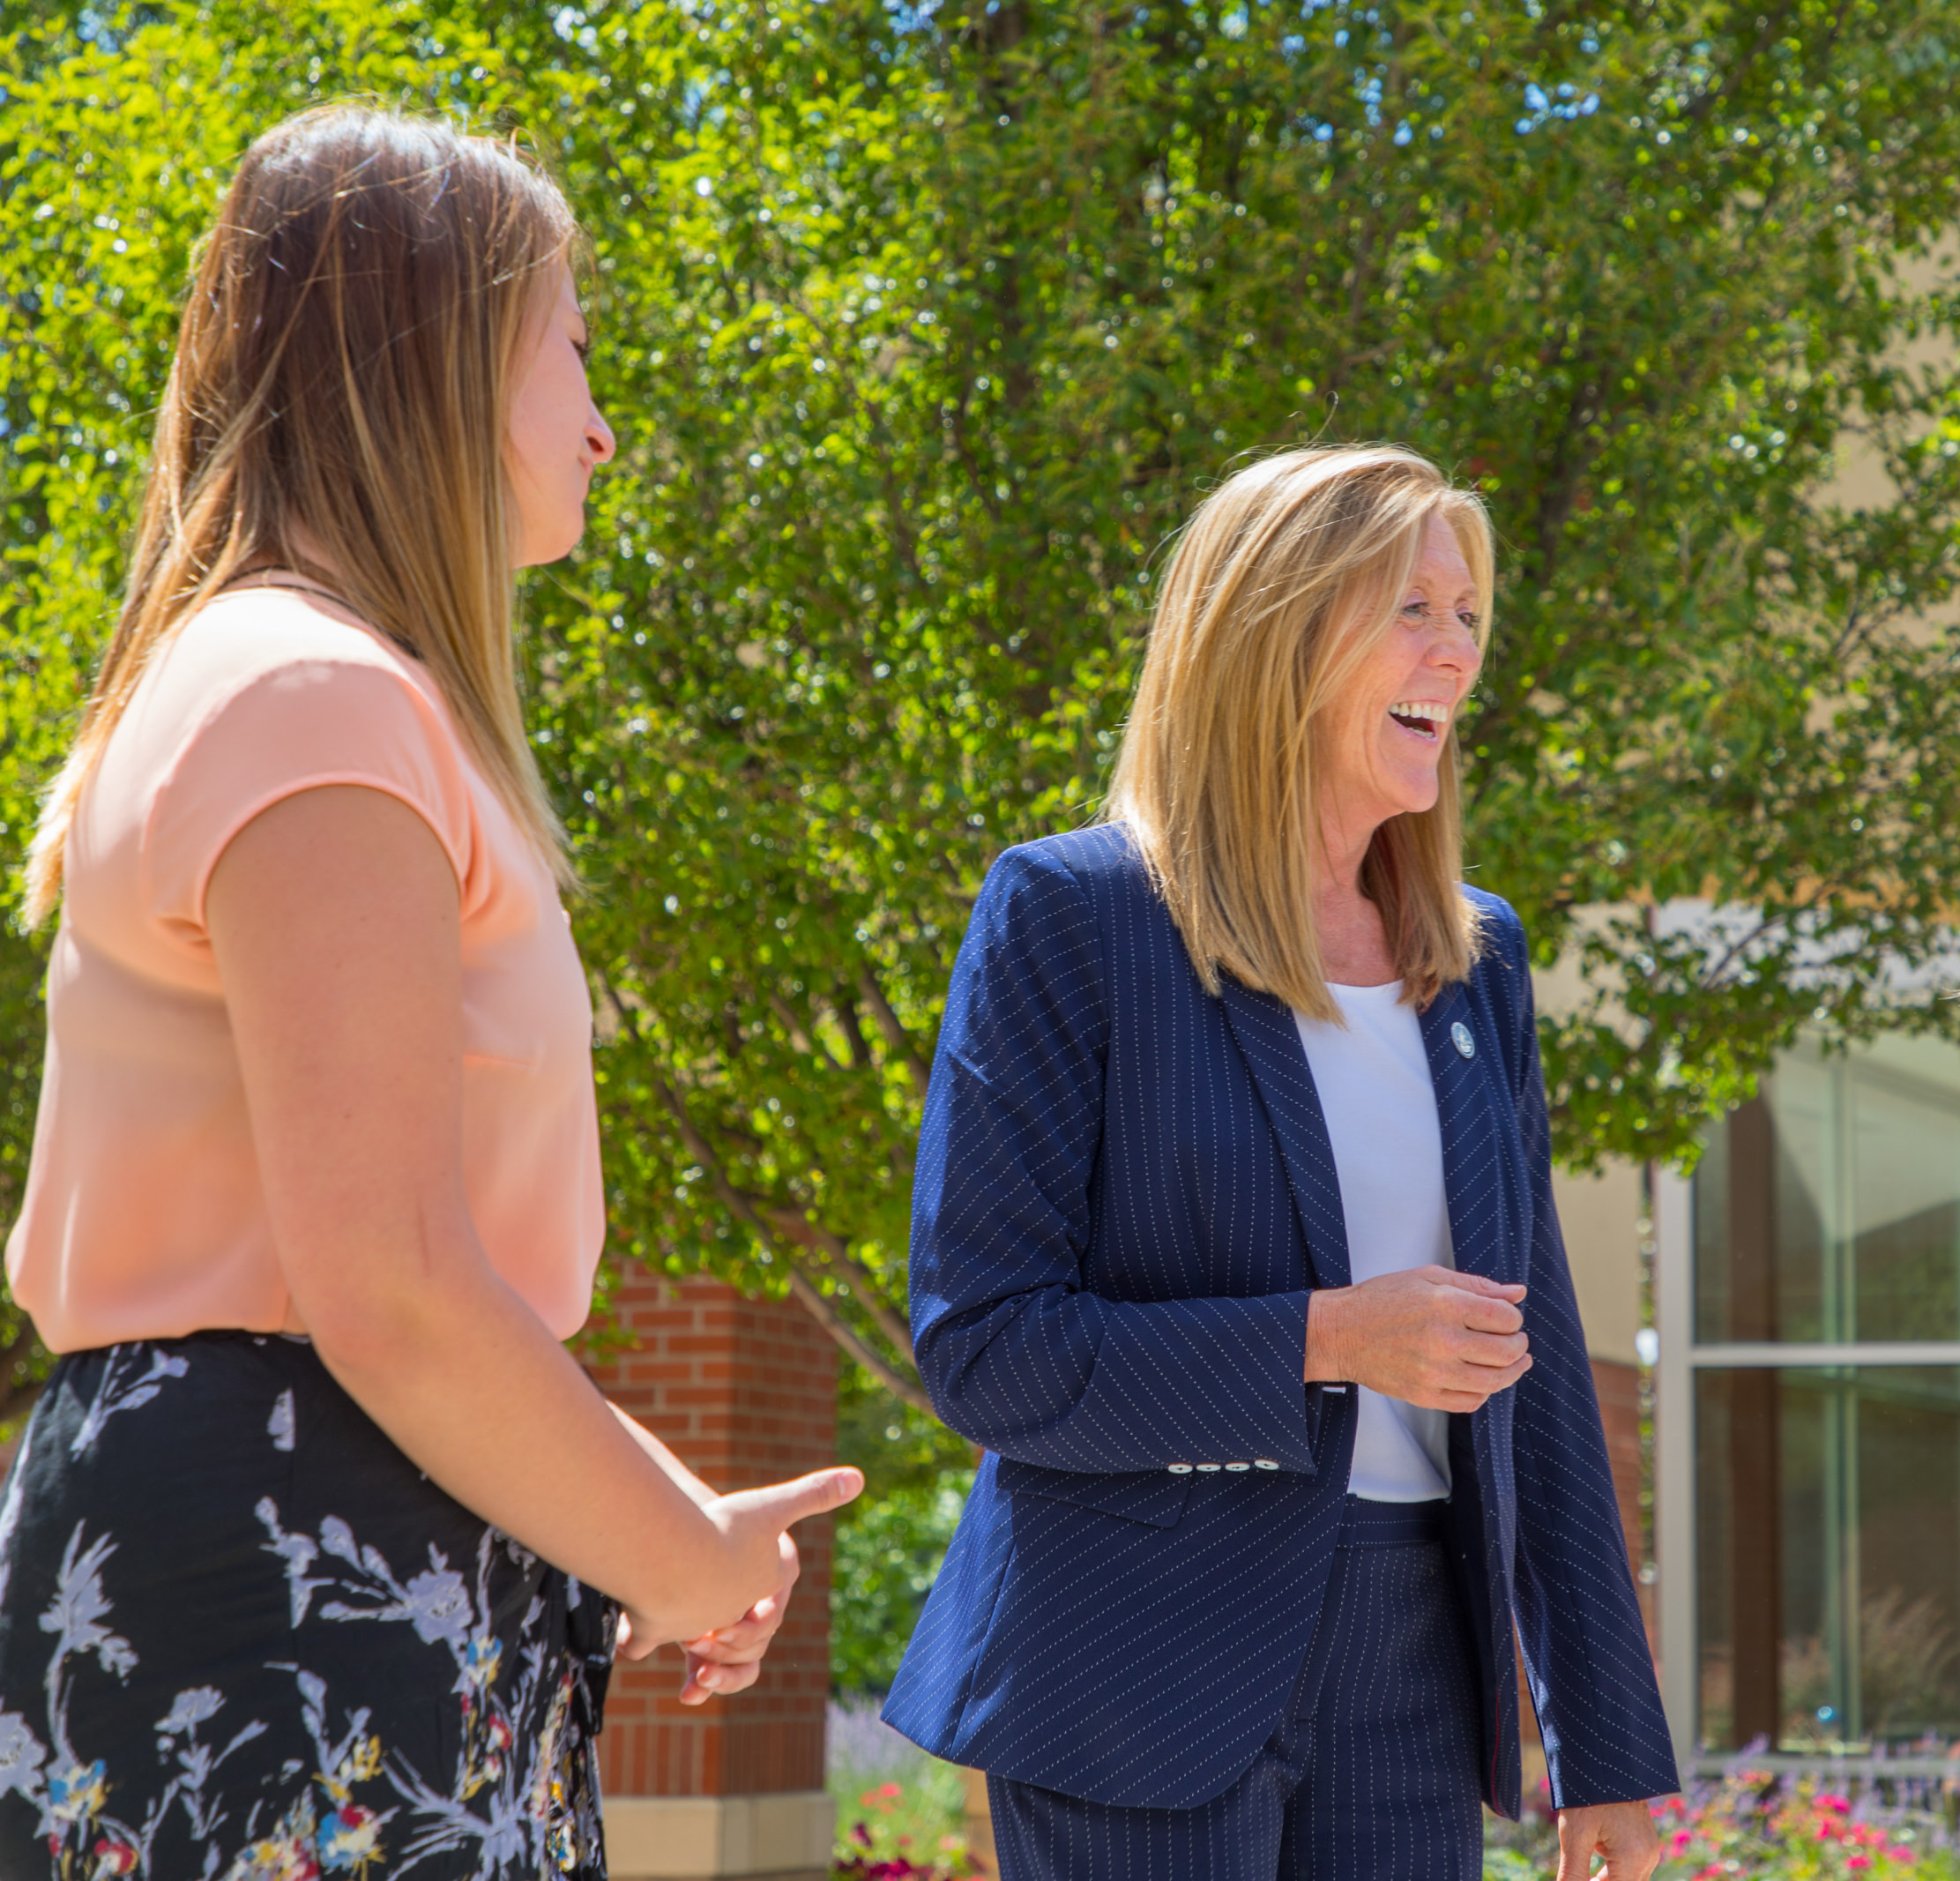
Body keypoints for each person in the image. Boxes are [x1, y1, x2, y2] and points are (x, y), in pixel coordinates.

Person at [0, 108, 859, 1879]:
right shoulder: (311, 695)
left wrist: (650, 1523)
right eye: (573, 342)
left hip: (308, 1540)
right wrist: (689, 1560)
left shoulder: (286, 684)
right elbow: (382, 1286)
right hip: (286, 1566)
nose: (604, 423)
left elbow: (379, 1285)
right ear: (439, 350)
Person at [879, 444, 1677, 1881]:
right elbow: (985, 1347)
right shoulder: (1071, 917)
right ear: (1276, 629)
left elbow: (1532, 1348)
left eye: (1469, 616)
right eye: (1413, 610)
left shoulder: (1477, 960)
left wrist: (1605, 1742)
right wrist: (1331, 1340)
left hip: (1414, 1665)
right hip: (1134, 1670)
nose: (1459, 653)